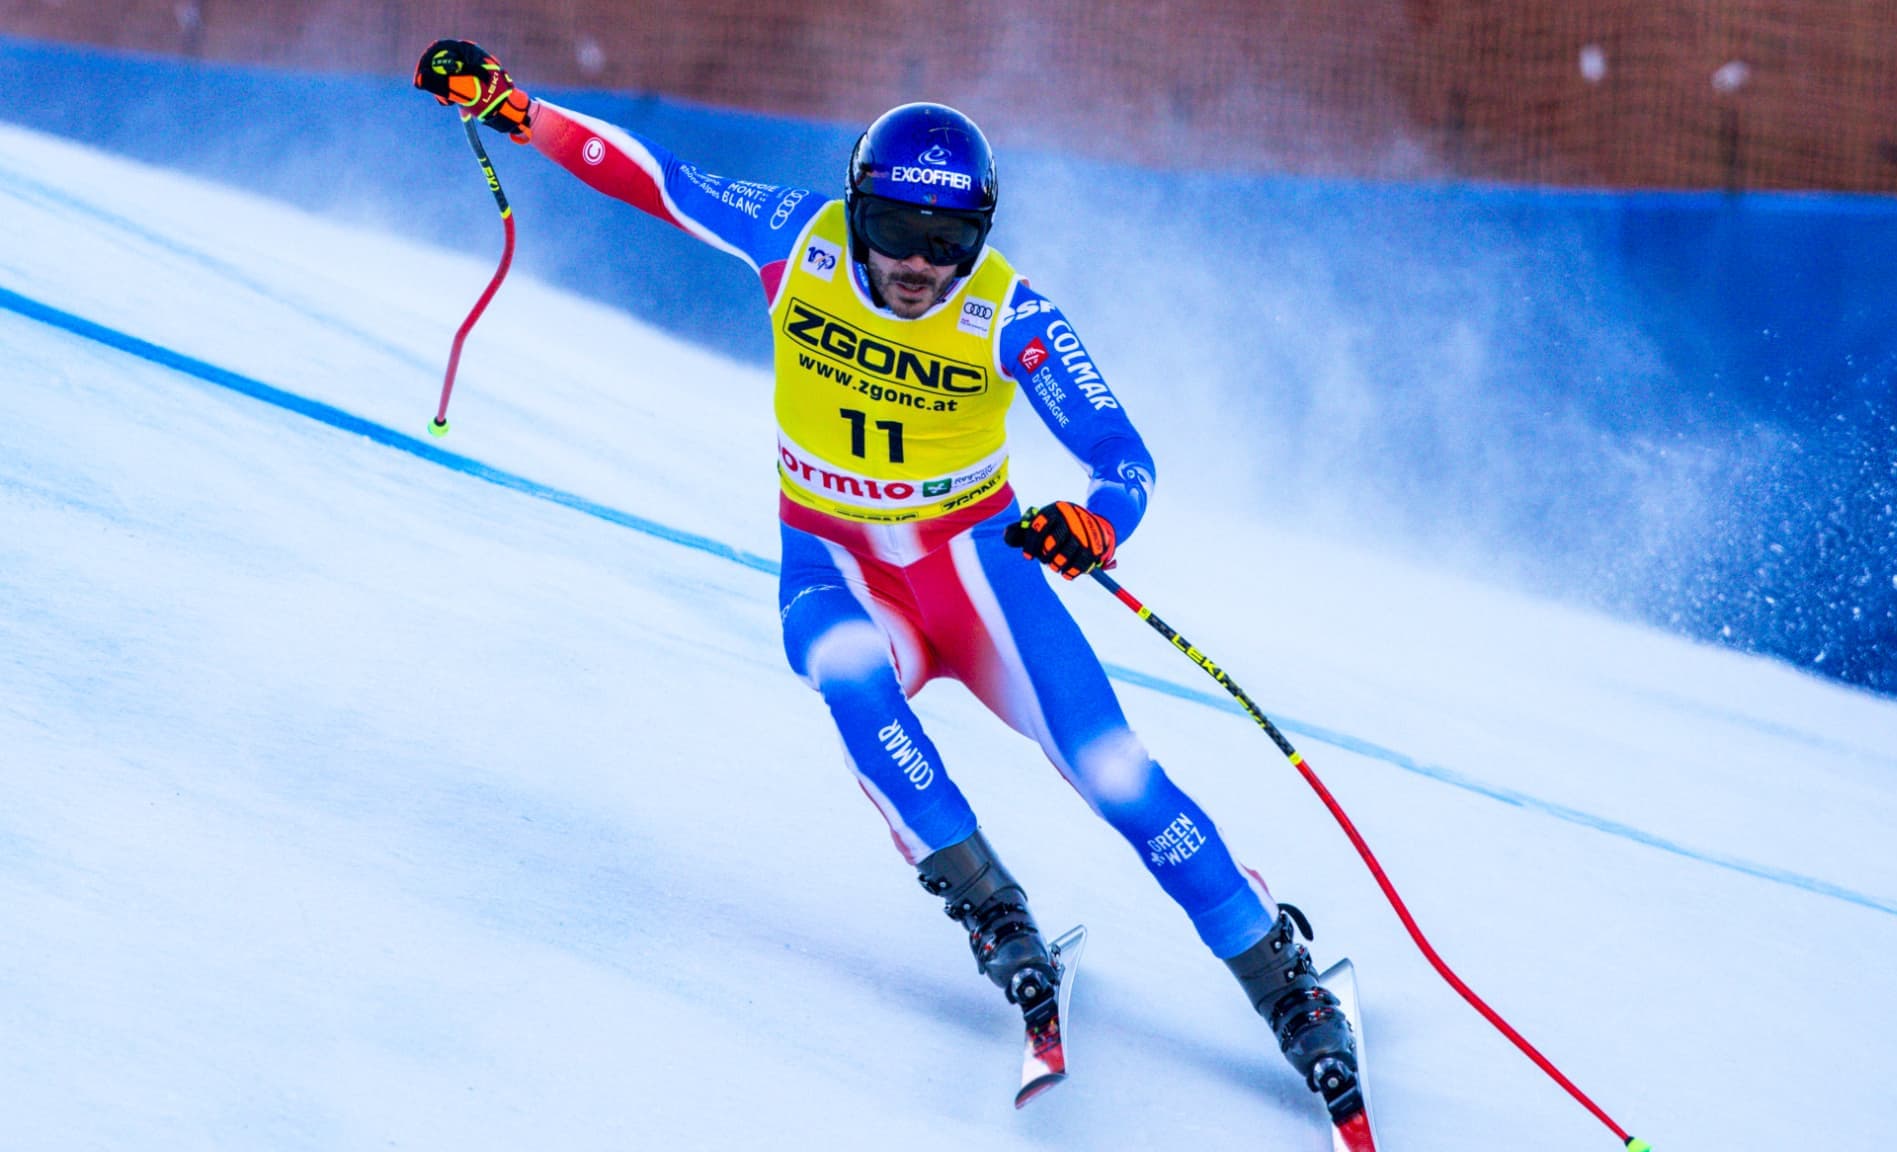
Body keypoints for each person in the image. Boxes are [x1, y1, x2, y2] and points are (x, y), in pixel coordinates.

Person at [413, 39, 1361, 1121]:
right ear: (854, 209)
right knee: (850, 679)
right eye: (895, 231)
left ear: (980, 238)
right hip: (836, 569)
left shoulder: (1011, 315)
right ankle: (992, 913)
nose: (916, 263)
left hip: (978, 584)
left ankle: (1281, 980)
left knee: (1116, 779)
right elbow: (651, 174)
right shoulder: (794, 241)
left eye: (946, 239)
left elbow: (1124, 458)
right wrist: (510, 107)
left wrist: (1097, 521)